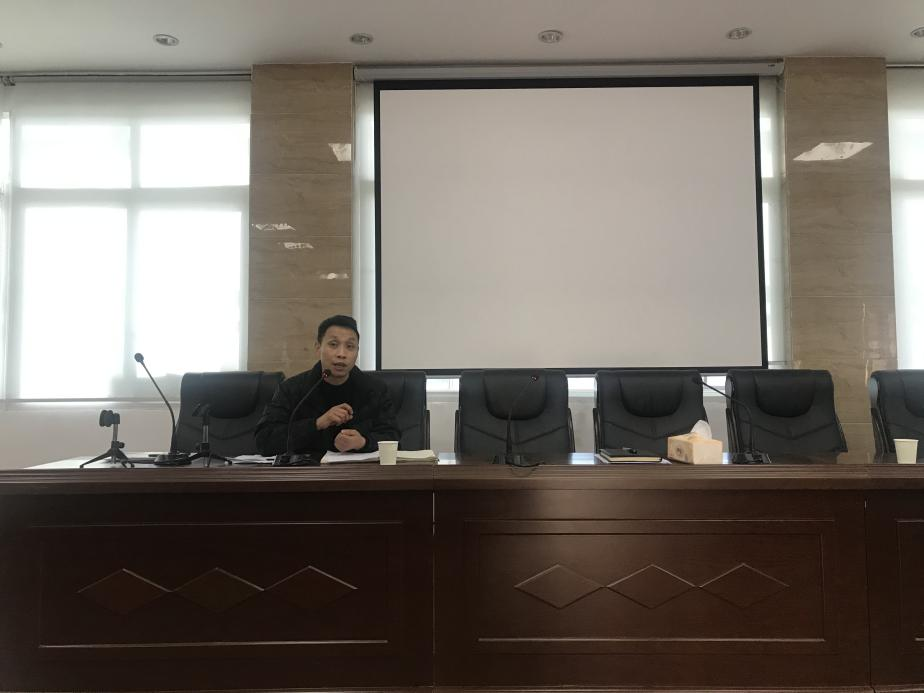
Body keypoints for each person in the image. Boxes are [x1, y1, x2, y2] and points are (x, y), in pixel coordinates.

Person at [254, 315, 399, 456]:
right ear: (318, 348)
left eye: (350, 346)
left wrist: (363, 442)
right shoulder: (292, 389)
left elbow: (394, 438)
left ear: (357, 352)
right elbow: (264, 441)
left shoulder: (374, 389)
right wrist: (317, 423)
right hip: (308, 470)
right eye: (333, 344)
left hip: (359, 471)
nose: (341, 354)